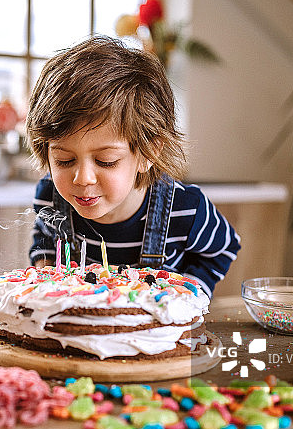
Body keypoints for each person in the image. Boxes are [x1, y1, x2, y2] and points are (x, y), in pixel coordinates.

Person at [27, 35, 240, 297]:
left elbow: (223, 249)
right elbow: (44, 239)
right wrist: (45, 268)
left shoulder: (186, 209)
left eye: (106, 161)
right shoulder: (50, 196)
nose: (82, 178)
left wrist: (189, 293)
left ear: (148, 151)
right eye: (64, 160)